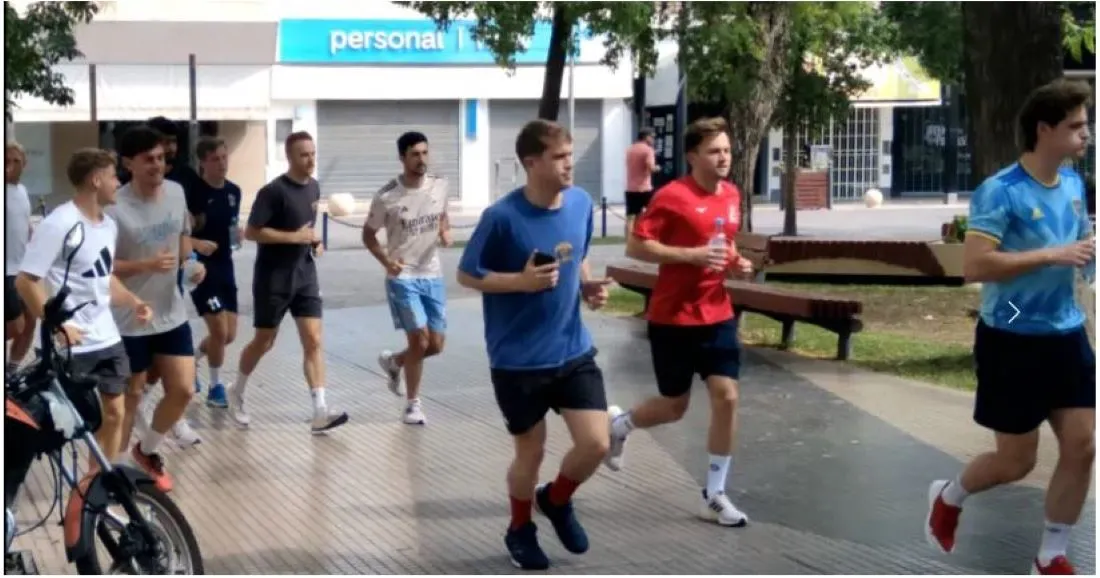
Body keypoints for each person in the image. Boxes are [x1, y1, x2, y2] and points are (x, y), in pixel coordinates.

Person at [925, 79, 1095, 575]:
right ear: (1045, 130)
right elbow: (975, 266)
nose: (1087, 136)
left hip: (1066, 332)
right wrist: (1053, 254)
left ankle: (1052, 555)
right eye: (1077, 127)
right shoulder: (1000, 191)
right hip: (1012, 332)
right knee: (1017, 461)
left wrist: (1085, 258)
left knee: (1083, 445)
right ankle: (949, 496)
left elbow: (1079, 245)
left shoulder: (1072, 184)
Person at [457, 119, 614, 570]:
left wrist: (586, 287)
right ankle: (520, 528)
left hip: (573, 352)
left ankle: (557, 499)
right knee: (532, 451)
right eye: (560, 157)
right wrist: (520, 282)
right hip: (517, 362)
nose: (570, 163)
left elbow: (578, 255)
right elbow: (468, 273)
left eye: (570, 154)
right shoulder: (502, 217)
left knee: (597, 444)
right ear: (532, 163)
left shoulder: (581, 203)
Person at [603, 117, 755, 528]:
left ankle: (715, 493)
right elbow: (636, 244)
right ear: (692, 156)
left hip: (718, 312)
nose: (723, 157)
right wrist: (692, 256)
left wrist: (736, 262)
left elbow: (726, 242)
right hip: (673, 317)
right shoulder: (672, 196)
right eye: (714, 151)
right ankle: (620, 425)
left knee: (727, 396)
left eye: (726, 149)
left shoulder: (732, 194)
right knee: (674, 407)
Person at [15, 148, 152, 470]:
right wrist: (57, 325)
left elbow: (103, 278)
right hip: (73, 343)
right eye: (114, 175)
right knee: (70, 426)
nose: (119, 182)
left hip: (107, 336)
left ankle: (95, 490)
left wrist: (134, 301)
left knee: (116, 415)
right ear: (96, 179)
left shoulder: (107, 226)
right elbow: (26, 281)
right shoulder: (60, 223)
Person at [108, 125, 205, 493]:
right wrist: (145, 266)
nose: (157, 165)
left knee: (182, 389)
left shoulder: (177, 193)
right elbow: (104, 267)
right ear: (128, 163)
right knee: (130, 397)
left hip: (171, 313)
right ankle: (114, 474)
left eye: (161, 158)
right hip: (130, 319)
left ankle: (146, 451)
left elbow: (181, 239)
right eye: (148, 159)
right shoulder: (115, 207)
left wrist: (190, 262)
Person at [233, 131, 348, 433]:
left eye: (313, 153)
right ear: (290, 157)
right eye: (304, 155)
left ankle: (320, 410)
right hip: (273, 278)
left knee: (313, 340)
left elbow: (306, 228)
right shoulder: (273, 192)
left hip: (305, 276)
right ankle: (237, 391)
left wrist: (313, 243)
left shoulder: (314, 187)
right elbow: (253, 232)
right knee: (264, 341)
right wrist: (293, 237)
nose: (310, 160)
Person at [365, 131, 453, 425]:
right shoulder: (387, 196)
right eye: (415, 154)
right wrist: (386, 261)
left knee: (436, 345)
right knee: (420, 340)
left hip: (433, 274)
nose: (421, 159)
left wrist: (444, 230)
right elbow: (367, 235)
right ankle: (413, 405)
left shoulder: (440, 186)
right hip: (403, 277)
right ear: (402, 157)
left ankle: (394, 362)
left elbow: (441, 214)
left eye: (425, 153)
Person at [188, 136, 243, 408]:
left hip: (226, 266)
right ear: (203, 163)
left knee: (230, 335)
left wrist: (237, 235)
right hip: (201, 269)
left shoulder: (234, 191)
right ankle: (215, 386)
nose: (222, 163)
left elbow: (232, 224)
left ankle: (192, 360)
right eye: (215, 159)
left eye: (224, 157)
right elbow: (181, 233)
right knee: (219, 331)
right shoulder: (194, 193)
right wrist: (196, 245)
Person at [5, 142, 36, 373]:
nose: (10, 166)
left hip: (22, 269)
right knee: (15, 327)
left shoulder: (22, 190)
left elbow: (24, 225)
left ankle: (11, 373)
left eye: (16, 161)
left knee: (30, 323)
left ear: (24, 164)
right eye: (6, 160)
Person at [624, 128, 659, 239]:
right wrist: (658, 168)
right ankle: (647, 235)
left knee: (631, 215)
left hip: (630, 187)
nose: (653, 139)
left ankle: (629, 238)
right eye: (652, 137)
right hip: (644, 187)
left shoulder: (630, 149)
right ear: (646, 137)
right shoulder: (648, 150)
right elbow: (651, 167)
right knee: (653, 212)